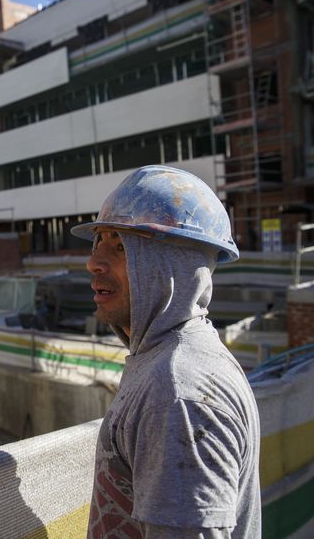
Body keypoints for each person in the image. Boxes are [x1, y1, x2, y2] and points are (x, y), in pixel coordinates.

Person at [71, 166, 261, 538]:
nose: (93, 261)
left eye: (122, 246)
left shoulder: (178, 392)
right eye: (98, 242)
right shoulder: (176, 358)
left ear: (174, 265)